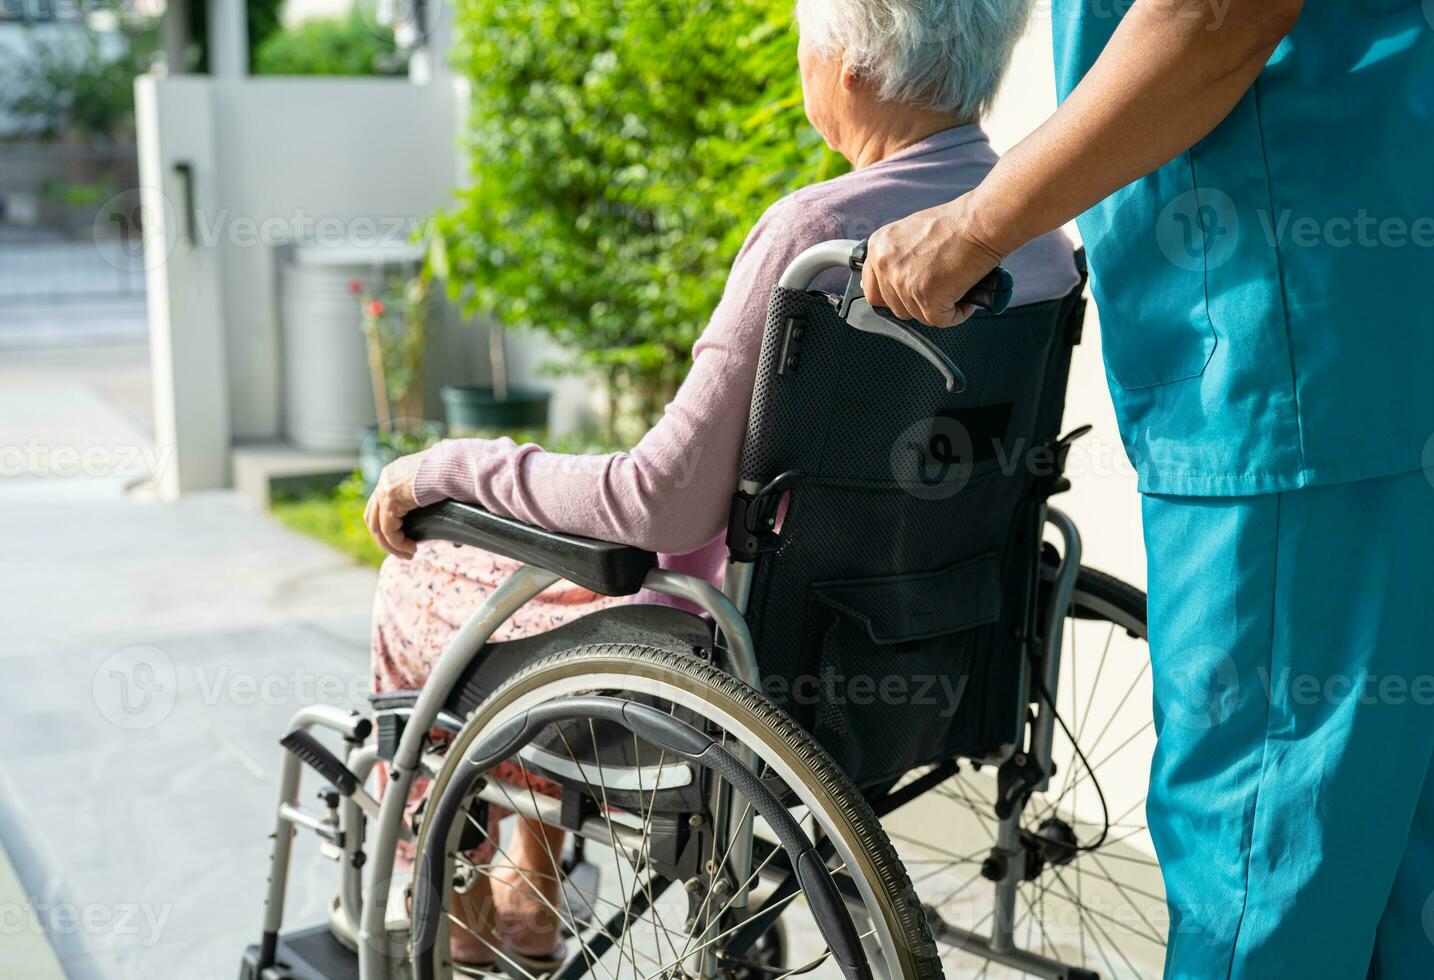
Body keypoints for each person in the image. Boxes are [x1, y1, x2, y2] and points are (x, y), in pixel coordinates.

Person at [362, 0, 1081, 966]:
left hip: (748, 662)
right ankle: (524, 870)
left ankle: (448, 886)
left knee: (426, 568)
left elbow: (653, 502)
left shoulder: (819, 235)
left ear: (854, 72)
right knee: (541, 582)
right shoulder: (1034, 233)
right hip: (942, 633)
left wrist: (444, 466)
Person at [860, 1, 1434, 976]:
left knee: (1262, 882)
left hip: (1292, 370)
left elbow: (1212, 13)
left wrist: (974, 225)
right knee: (1422, 872)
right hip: (1408, 354)